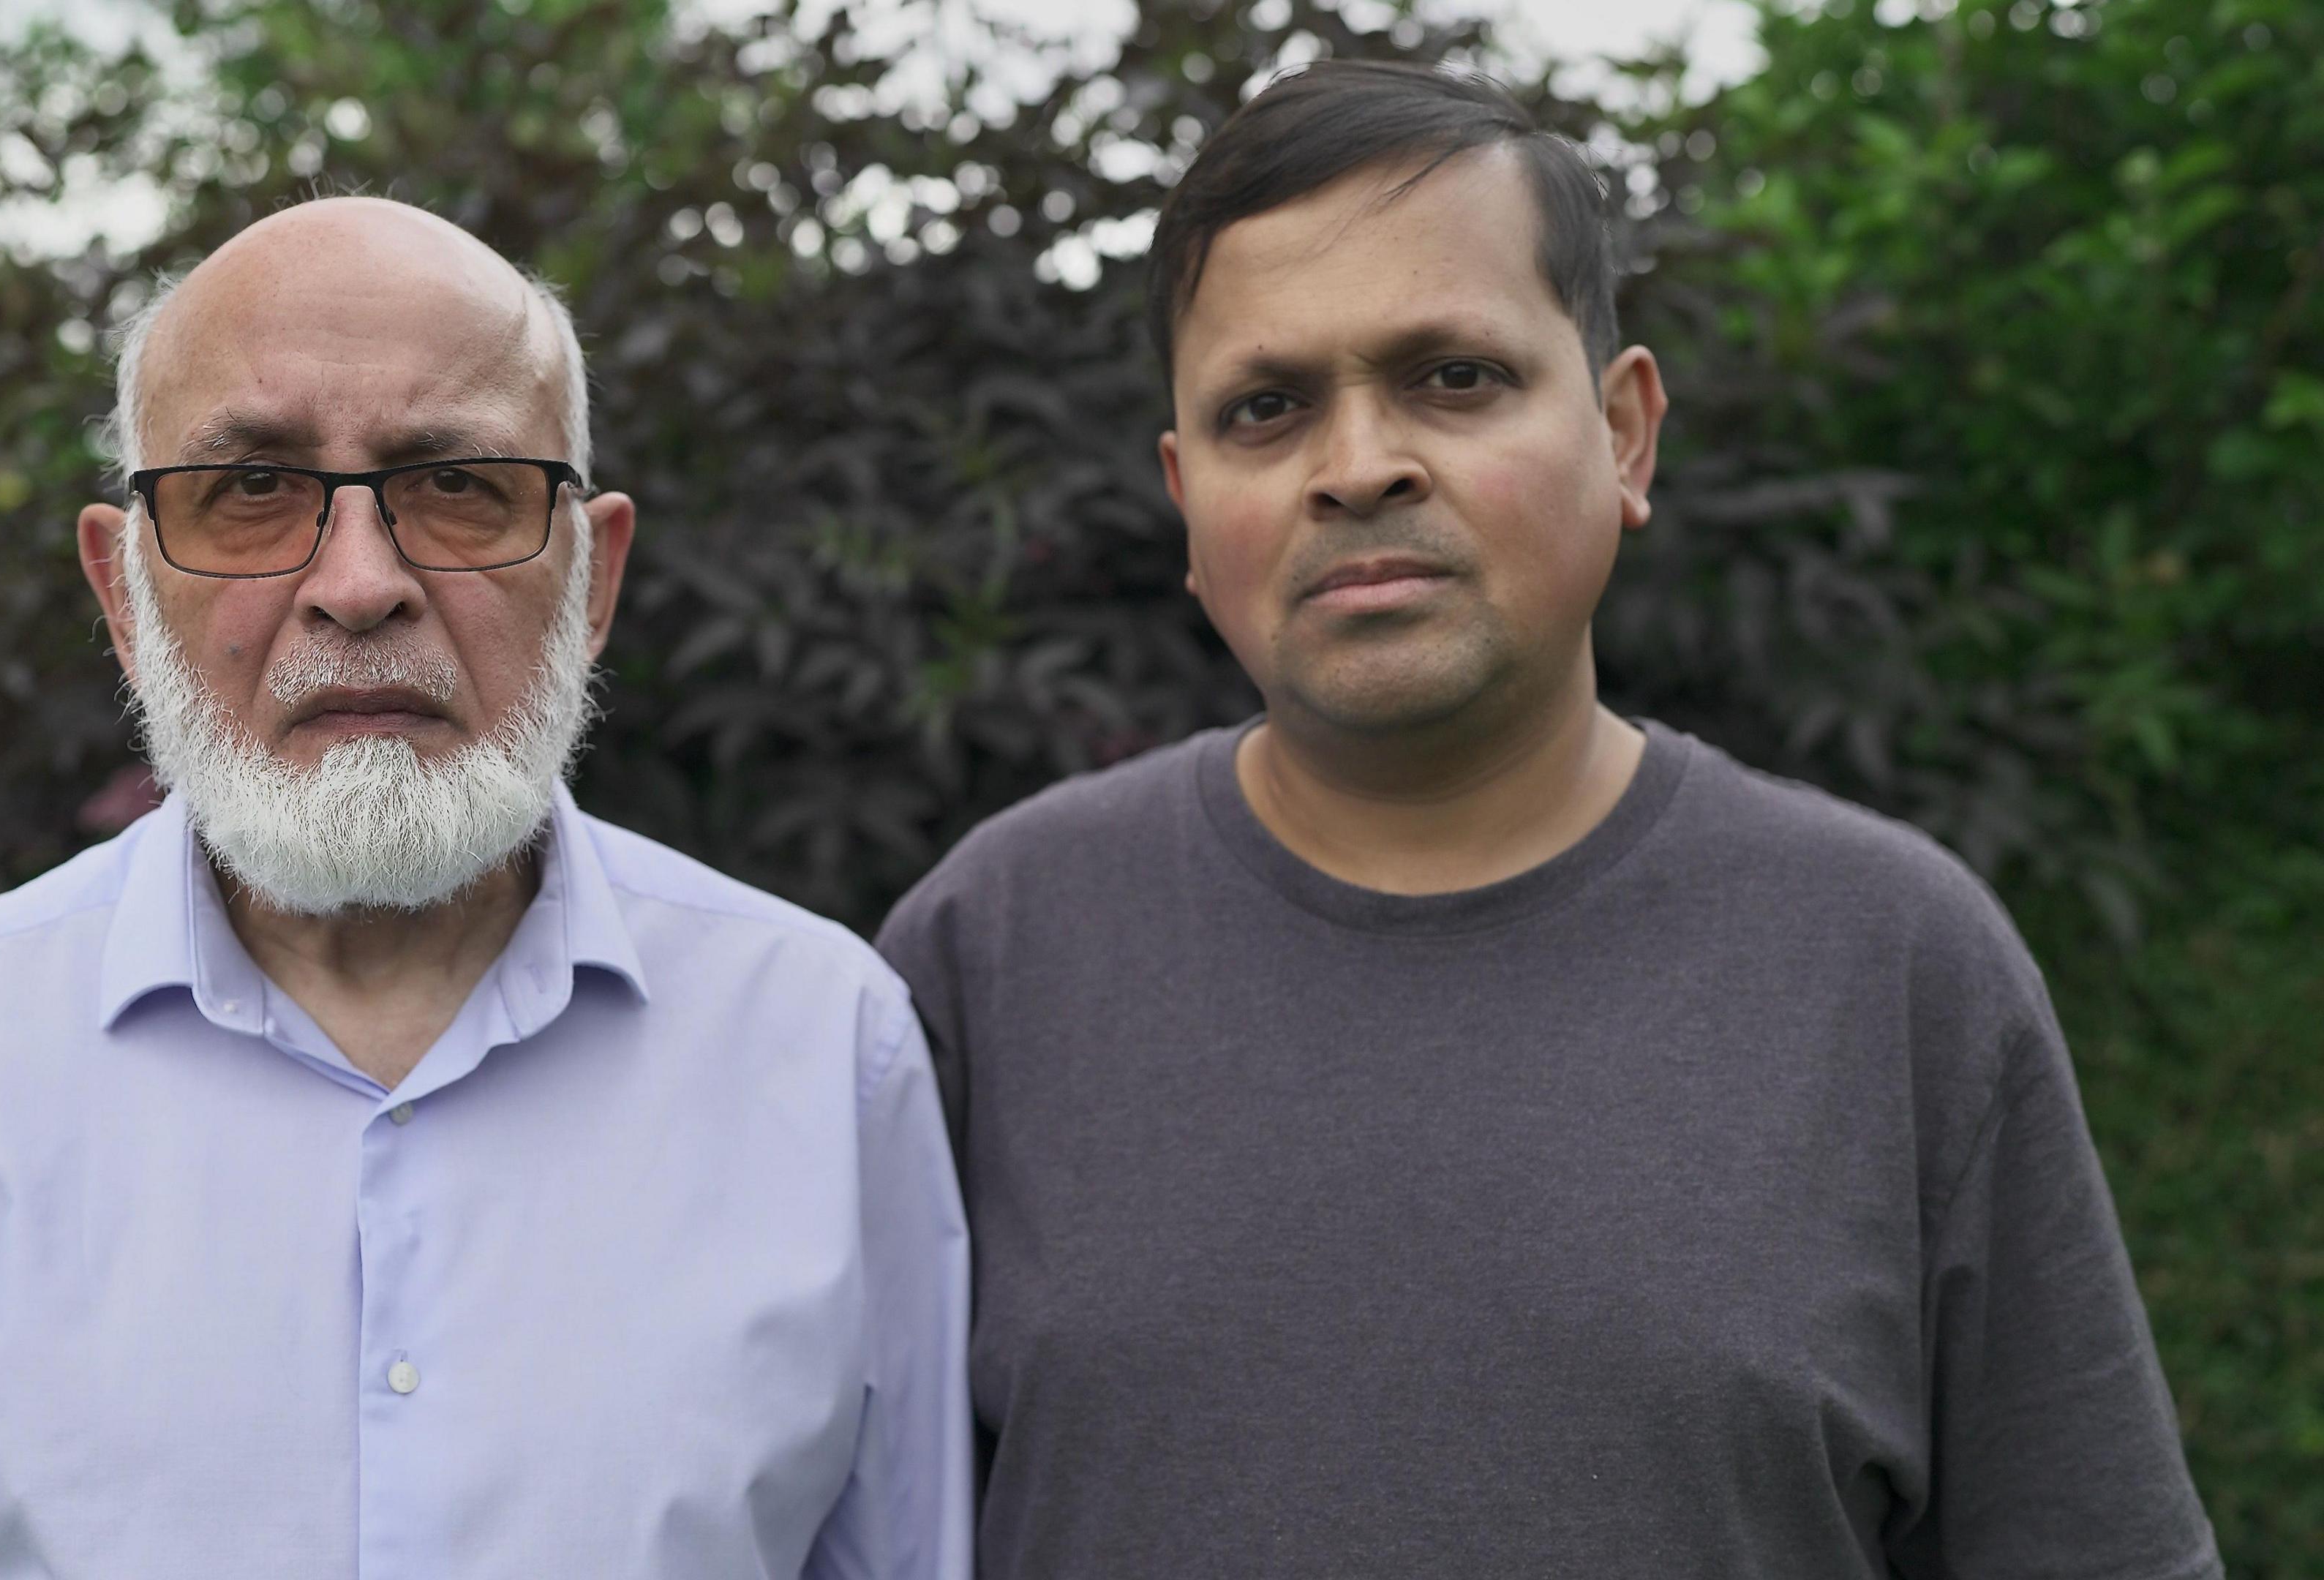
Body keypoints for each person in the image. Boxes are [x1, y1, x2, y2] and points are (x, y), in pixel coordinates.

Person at [877, 61, 2217, 1579]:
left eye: (1456, 377)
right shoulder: (989, 954)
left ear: (1626, 431)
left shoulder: (1894, 964)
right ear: (1189, 501)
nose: (1360, 464)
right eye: (1269, 408)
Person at [0, 197, 969, 1579]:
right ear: (122, 594)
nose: (360, 586)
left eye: (457, 484)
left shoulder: (828, 1046)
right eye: (251, 491)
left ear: (592, 582)